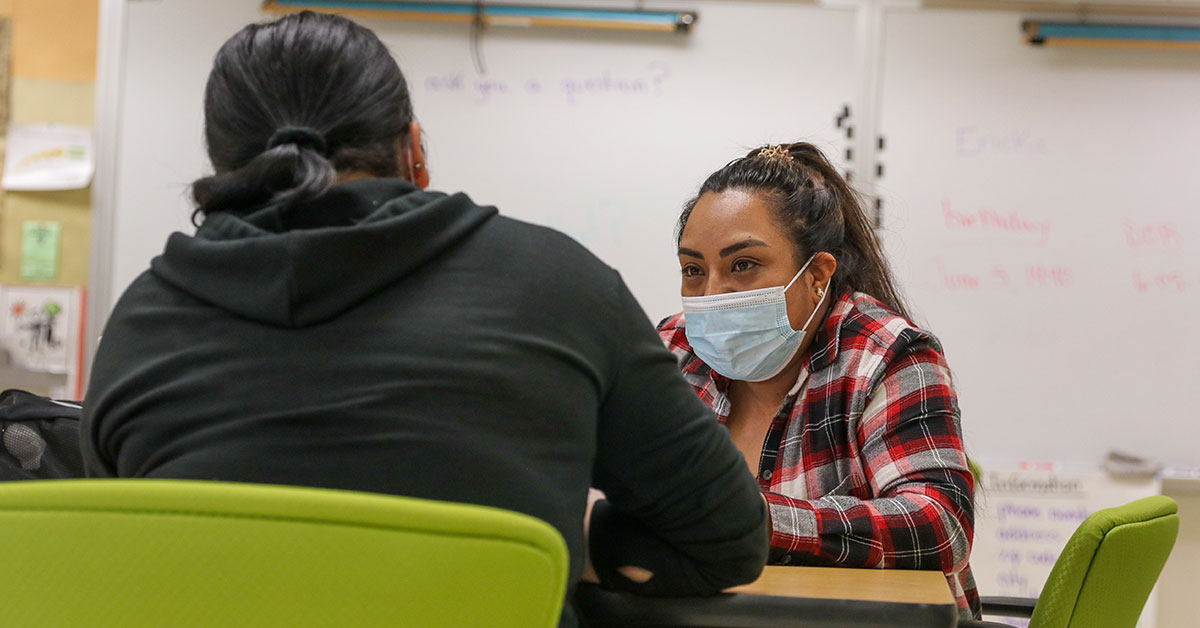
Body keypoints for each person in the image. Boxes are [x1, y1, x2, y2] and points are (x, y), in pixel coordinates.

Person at [81, 12, 768, 627]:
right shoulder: (557, 284)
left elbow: (117, 559)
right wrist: (556, 547)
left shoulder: (141, 321)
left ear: (226, 169)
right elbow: (725, 539)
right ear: (414, 149)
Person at [657, 142, 980, 619]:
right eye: (693, 270)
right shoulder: (676, 350)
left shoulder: (887, 354)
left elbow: (940, 525)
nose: (713, 293)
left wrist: (758, 520)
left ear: (817, 276)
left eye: (743, 265)